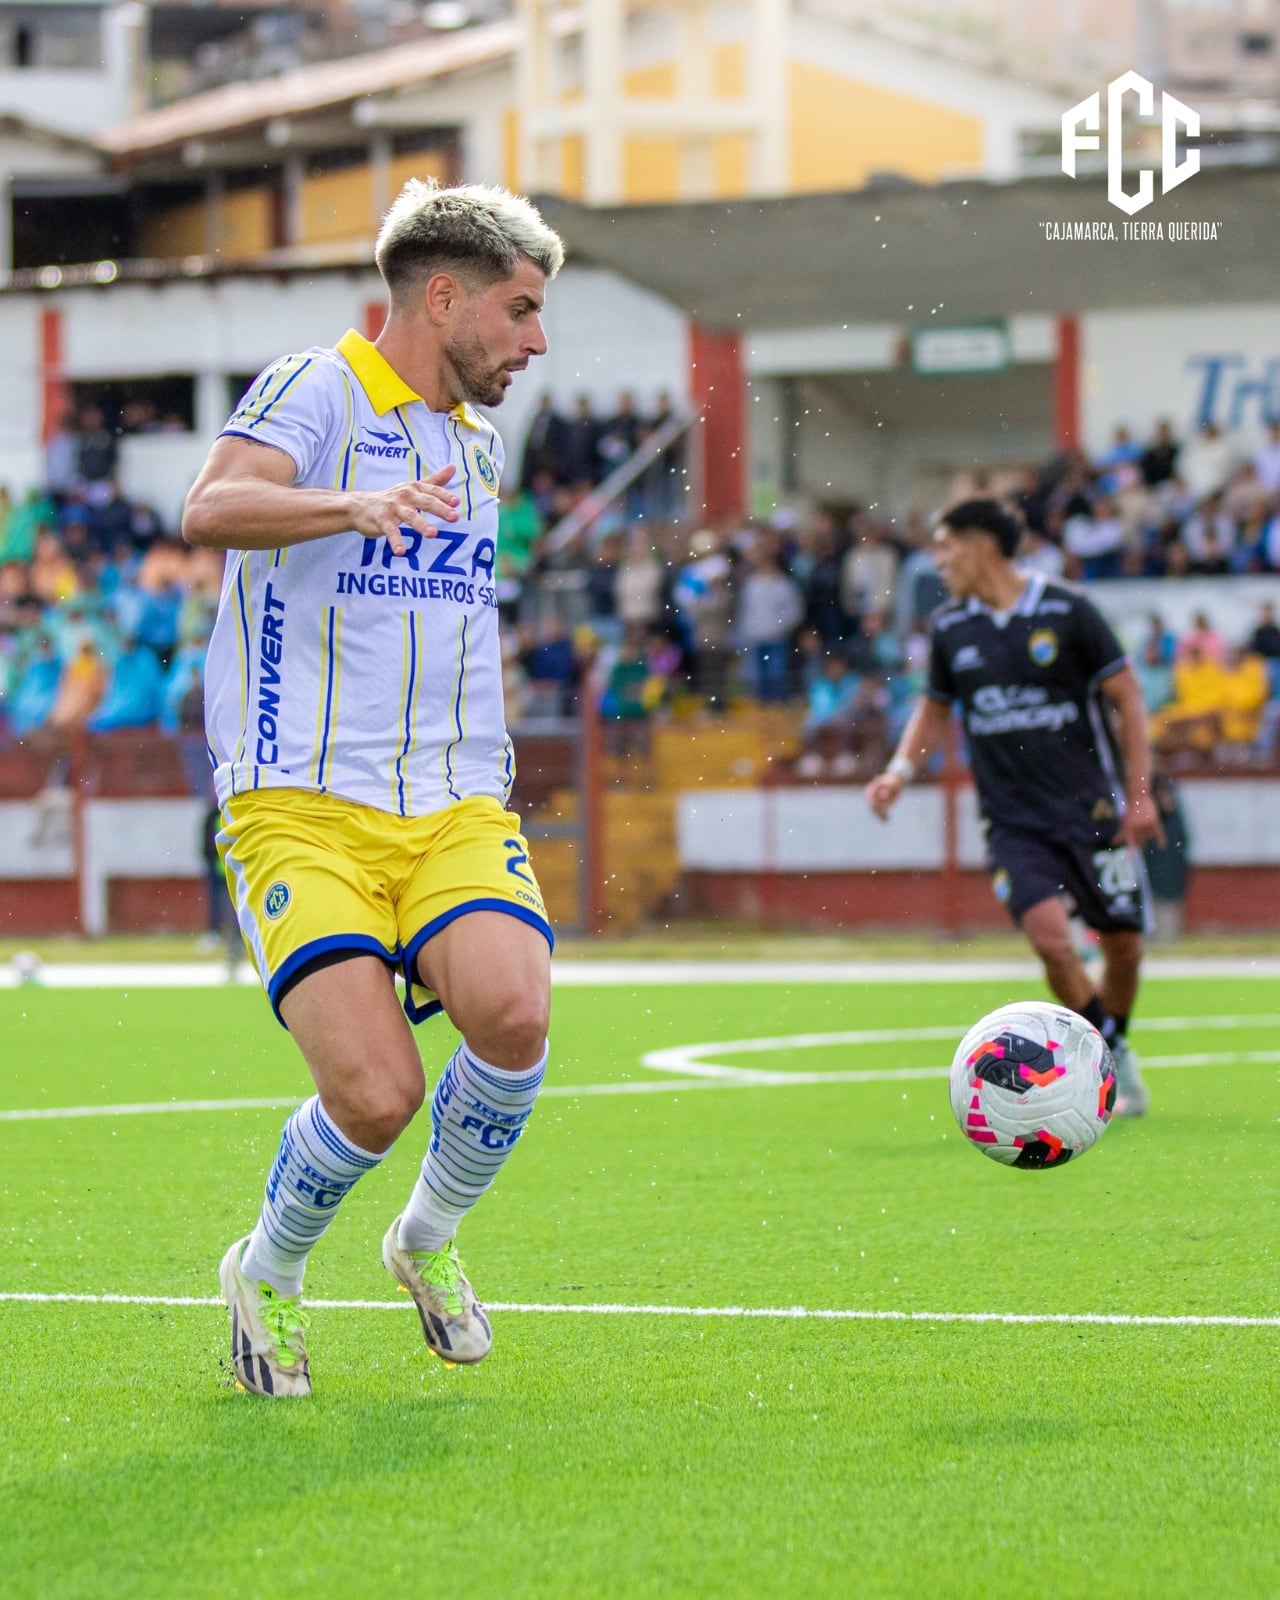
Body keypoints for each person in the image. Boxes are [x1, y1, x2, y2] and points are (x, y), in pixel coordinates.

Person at [182, 179, 565, 1398]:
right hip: (299, 800)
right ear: (440, 295)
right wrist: (345, 500)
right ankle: (271, 1268)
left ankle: (425, 1237)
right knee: (376, 1090)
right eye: (518, 309)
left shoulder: (476, 444)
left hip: (451, 801)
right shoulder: (319, 387)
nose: (535, 341)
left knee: (513, 1016)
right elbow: (210, 505)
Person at [864, 499, 1162, 1116]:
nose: (937, 561)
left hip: (1092, 812)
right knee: (1052, 942)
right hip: (1012, 820)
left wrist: (1139, 796)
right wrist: (898, 771)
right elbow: (935, 708)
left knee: (1123, 946)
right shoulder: (951, 628)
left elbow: (1128, 698)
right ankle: (1105, 1061)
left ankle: (1116, 1047)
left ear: (981, 548)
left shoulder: (1070, 611)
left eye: (945, 546)